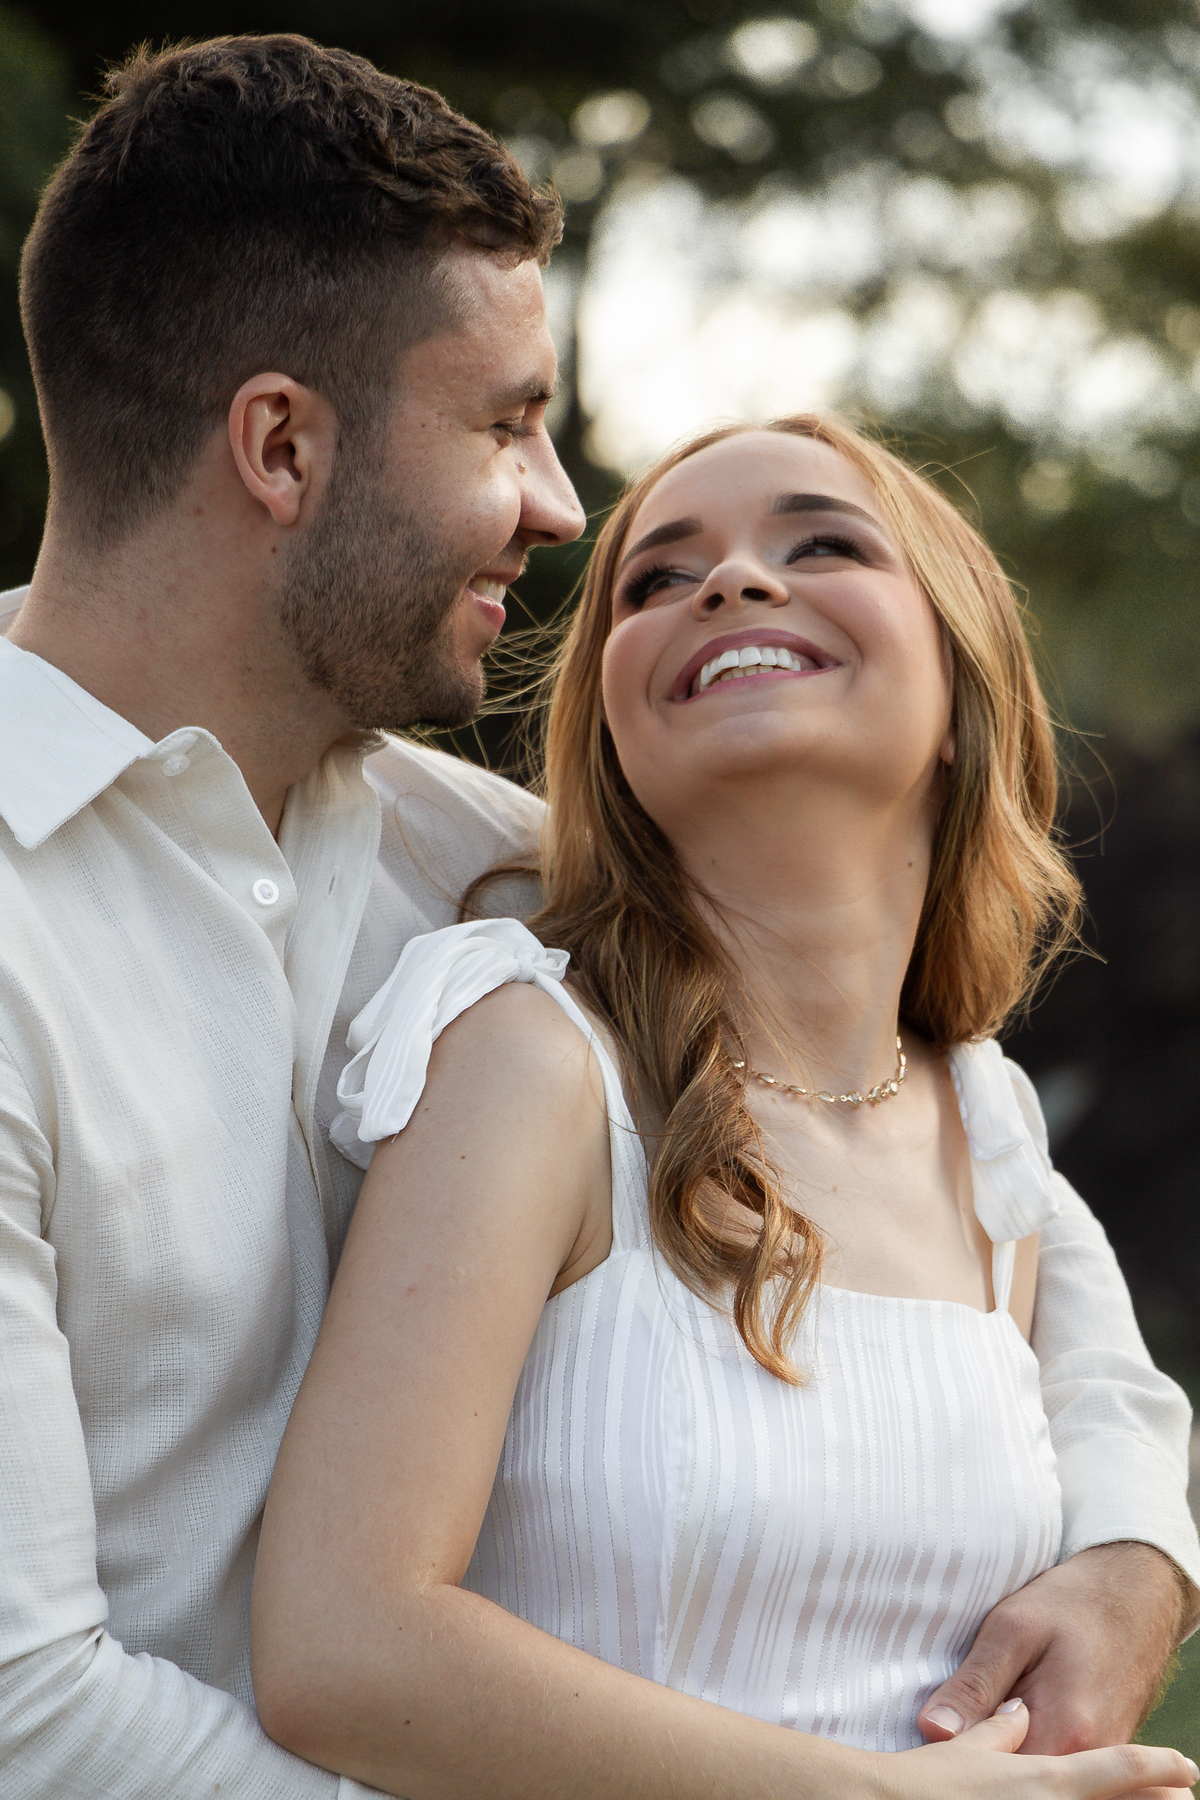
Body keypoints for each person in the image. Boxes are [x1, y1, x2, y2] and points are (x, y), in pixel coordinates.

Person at [0, 27, 1190, 1800]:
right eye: (505, 425)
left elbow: (964, 1148)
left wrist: (1134, 1541)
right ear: (279, 448)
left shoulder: (468, 854)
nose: (561, 510)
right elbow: (28, 1710)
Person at [251, 414, 1200, 1800]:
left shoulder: (987, 1132)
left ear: (962, 690)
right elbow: (343, 1647)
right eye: (656, 579)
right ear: (613, 735)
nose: (734, 583)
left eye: (822, 544)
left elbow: (1124, 1402)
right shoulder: (534, 1058)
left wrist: (1142, 1562)